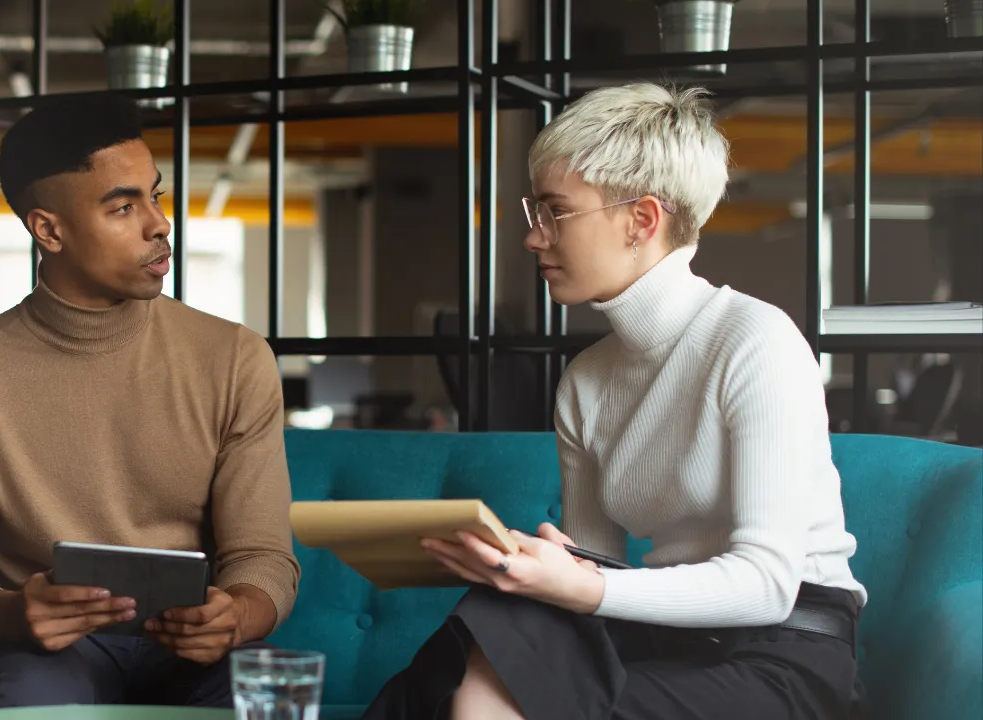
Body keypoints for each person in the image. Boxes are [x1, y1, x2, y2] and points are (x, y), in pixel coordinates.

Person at [362, 83, 869, 720]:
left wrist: (579, 583)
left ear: (642, 220)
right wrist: (530, 567)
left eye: (555, 212)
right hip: (670, 644)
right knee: (501, 619)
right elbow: (588, 571)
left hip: (782, 653)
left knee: (492, 675)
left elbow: (766, 586)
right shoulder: (586, 379)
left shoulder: (754, 340)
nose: (533, 238)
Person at [0, 94, 301, 709]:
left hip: (194, 644)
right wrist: (15, 613)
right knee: (30, 693)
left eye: (155, 196)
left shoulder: (235, 359)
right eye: (123, 206)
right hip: (50, 652)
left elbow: (263, 556)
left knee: (265, 690)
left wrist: (239, 614)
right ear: (49, 230)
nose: (159, 224)